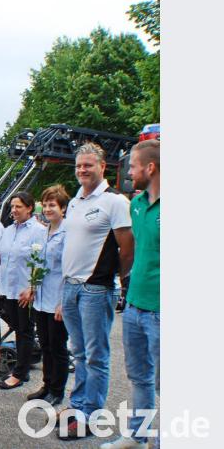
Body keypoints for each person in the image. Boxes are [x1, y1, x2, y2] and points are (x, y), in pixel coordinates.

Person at [58, 143, 133, 440]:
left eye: (88, 165)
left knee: (96, 356)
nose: (82, 170)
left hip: (95, 289)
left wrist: (112, 278)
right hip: (71, 286)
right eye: (78, 165)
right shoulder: (76, 200)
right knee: (78, 352)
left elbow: (128, 248)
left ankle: (91, 416)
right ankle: (77, 406)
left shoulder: (115, 201)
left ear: (102, 167)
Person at [101, 140, 160, 449]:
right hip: (136, 306)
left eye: (133, 167)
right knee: (140, 377)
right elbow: (136, 252)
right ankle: (138, 437)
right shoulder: (136, 205)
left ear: (150, 168)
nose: (129, 174)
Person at [21, 185, 70, 407]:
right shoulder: (44, 231)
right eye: (46, 204)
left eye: (53, 205)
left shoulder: (67, 233)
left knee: (58, 347)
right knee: (46, 345)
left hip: (58, 300)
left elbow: (70, 270)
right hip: (41, 300)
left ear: (63, 208)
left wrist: (63, 302)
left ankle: (57, 390)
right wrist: (32, 287)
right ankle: (47, 384)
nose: (48, 208)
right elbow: (38, 264)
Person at [0, 191, 47, 390]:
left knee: (25, 331)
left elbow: (42, 260)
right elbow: (1, 257)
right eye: (12, 207)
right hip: (9, 289)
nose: (14, 210)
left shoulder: (38, 231)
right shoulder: (8, 230)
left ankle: (20, 373)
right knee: (18, 329)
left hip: (25, 291)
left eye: (18, 206)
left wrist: (33, 287)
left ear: (29, 208)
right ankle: (21, 366)